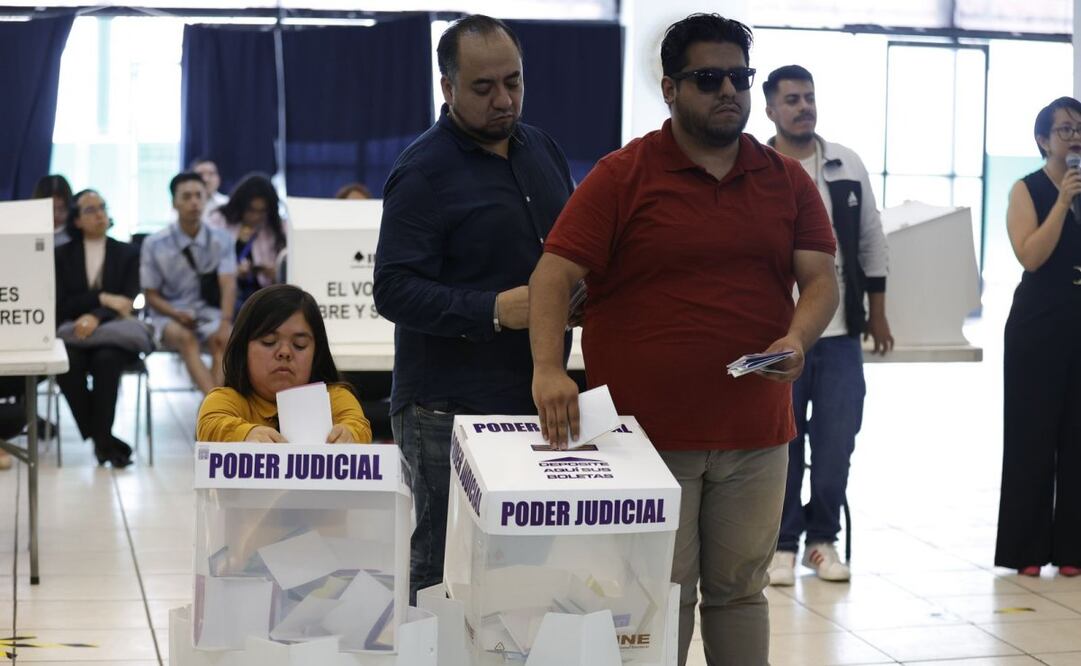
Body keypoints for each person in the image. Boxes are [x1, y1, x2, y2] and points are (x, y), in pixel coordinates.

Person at [527, 14, 838, 666]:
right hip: (644, 437)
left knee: (739, 593)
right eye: (708, 78)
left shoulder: (784, 179)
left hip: (755, 431)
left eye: (739, 77)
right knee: (654, 597)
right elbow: (553, 276)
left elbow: (819, 280)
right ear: (669, 89)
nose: (728, 90)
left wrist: (797, 336)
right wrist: (549, 371)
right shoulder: (623, 175)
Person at [373, 14, 574, 601]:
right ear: (448, 88)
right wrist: (493, 309)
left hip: (534, 397)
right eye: (484, 88)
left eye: (513, 82)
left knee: (523, 574)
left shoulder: (543, 149)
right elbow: (393, 289)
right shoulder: (421, 171)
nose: (504, 99)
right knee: (441, 573)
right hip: (447, 410)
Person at [761, 65, 893, 586]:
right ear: (770, 109)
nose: (803, 107)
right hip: (777, 333)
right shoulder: (758, 166)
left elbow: (871, 241)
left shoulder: (845, 164)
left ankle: (822, 541)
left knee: (837, 441)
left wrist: (878, 313)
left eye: (809, 97)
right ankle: (781, 545)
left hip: (839, 335)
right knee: (781, 444)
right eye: (791, 99)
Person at [997, 96, 1081, 578]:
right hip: (1038, 323)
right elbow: (1031, 255)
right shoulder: (1026, 190)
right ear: (1043, 140)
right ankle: (1025, 549)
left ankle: (1072, 548)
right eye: (1064, 129)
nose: (1073, 136)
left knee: (1078, 435)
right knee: (1032, 435)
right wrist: (1064, 200)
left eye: (1079, 129)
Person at [197, 285, 371, 443]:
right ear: (243, 349)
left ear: (316, 353)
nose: (285, 352)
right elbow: (210, 425)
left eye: (299, 344)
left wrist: (350, 435)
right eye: (269, 341)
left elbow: (358, 426)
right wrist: (246, 434)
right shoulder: (225, 400)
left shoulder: (334, 398)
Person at [54, 189, 143, 467]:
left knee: (107, 360)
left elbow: (127, 302)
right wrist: (102, 298)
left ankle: (102, 441)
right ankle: (104, 440)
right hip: (72, 331)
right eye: (90, 210)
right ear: (77, 220)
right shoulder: (61, 255)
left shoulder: (127, 253)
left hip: (112, 332)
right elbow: (62, 303)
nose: (99, 214)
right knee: (67, 365)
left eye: (102, 207)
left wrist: (96, 316)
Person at [141, 172, 237, 395]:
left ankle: (209, 413)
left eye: (198, 196)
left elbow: (228, 283)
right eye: (186, 197)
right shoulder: (154, 243)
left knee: (224, 340)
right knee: (187, 339)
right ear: (174, 202)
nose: (193, 202)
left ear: (205, 199)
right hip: (168, 315)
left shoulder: (222, 239)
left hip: (209, 312)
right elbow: (151, 294)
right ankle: (215, 415)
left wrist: (225, 321)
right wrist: (176, 314)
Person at [208, 173, 286, 308]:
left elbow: (286, 270)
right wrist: (233, 271)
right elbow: (207, 263)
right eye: (251, 210)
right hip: (222, 293)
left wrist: (276, 272)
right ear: (240, 205)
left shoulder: (277, 228)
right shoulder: (219, 220)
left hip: (263, 294)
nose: (256, 216)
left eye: (262, 211)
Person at [31, 174, 74, 247]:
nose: (56, 215)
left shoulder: (76, 237)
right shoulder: (29, 234)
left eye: (62, 209)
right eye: (51, 209)